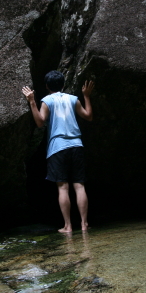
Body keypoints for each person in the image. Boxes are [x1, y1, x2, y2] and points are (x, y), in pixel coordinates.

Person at [22, 71, 94, 233]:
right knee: (79, 186)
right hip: (76, 145)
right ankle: (84, 224)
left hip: (58, 148)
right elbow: (88, 116)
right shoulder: (72, 99)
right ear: (63, 85)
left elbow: (40, 122)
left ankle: (68, 226)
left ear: (47, 87)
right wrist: (87, 96)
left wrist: (32, 101)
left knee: (63, 187)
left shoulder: (47, 101)